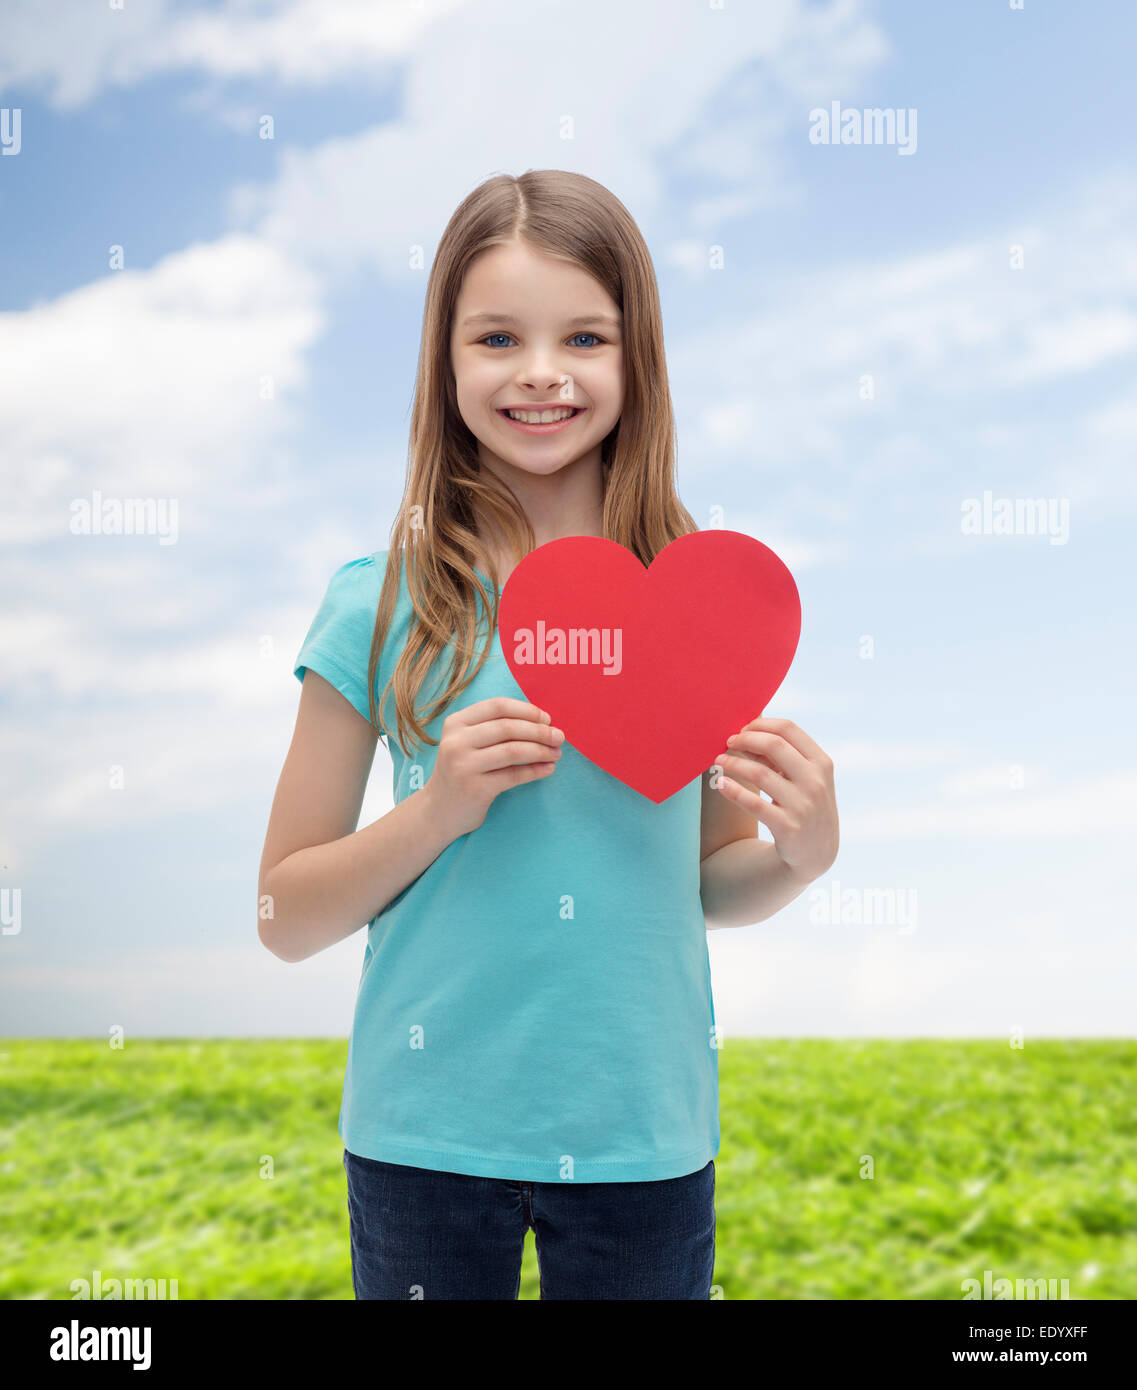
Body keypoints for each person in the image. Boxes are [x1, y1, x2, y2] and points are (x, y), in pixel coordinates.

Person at [257, 169, 839, 1300]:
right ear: (445, 362)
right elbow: (283, 914)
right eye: (496, 338)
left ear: (638, 361)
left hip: (643, 1136)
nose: (539, 371)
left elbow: (706, 883)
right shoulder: (377, 604)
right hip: (424, 1138)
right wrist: (438, 809)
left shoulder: (701, 605)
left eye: (584, 335)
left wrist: (799, 857)